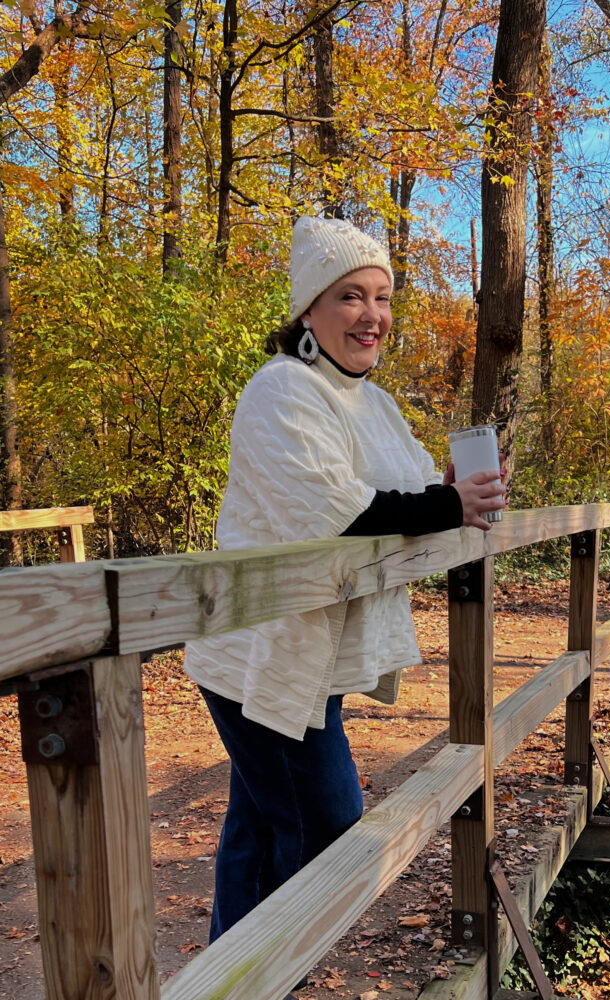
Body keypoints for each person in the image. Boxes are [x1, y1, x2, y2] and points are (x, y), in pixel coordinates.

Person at [184, 217, 507, 982]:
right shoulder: (281, 391)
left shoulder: (369, 401)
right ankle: (268, 975)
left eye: (383, 297)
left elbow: (414, 496)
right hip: (260, 654)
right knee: (329, 822)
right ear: (308, 311)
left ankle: (232, 979)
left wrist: (457, 498)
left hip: (310, 653)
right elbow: (339, 511)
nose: (372, 315)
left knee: (260, 832)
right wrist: (447, 505)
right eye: (350, 297)